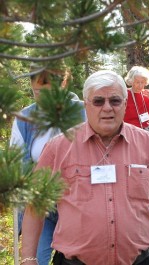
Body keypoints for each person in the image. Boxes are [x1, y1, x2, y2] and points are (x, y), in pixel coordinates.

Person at [20, 70, 149, 265]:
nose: (107, 108)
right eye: (98, 101)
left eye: (115, 101)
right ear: (86, 105)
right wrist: (28, 259)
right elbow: (35, 206)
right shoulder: (59, 147)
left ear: (125, 104)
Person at [10, 66, 85, 265]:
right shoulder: (24, 118)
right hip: (39, 203)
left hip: (76, 202)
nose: (42, 98)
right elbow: (16, 162)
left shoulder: (83, 112)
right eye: (37, 92)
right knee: (36, 258)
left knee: (75, 260)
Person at [124, 66, 149, 132]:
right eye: (137, 82)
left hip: (146, 131)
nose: (140, 85)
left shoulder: (147, 95)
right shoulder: (125, 95)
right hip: (129, 131)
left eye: (142, 82)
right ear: (131, 81)